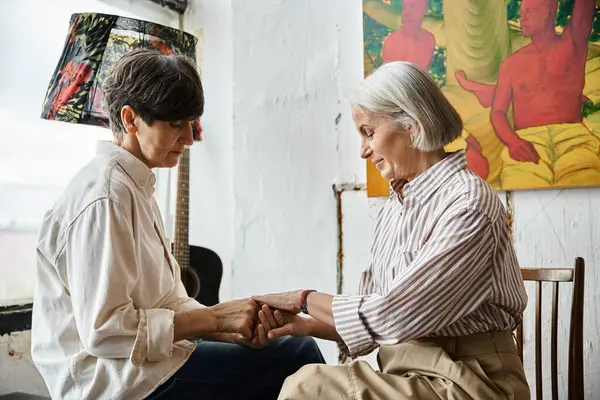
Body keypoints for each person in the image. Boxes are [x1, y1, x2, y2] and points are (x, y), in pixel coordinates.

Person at [31, 48, 324, 400]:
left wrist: (234, 326)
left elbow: (168, 300)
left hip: (146, 366)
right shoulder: (105, 197)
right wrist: (216, 320)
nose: (188, 138)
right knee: (298, 358)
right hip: (114, 383)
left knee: (289, 345)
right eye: (175, 124)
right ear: (130, 119)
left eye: (191, 123)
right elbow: (105, 332)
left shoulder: (134, 187)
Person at [253, 61, 530, 399]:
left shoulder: (467, 204)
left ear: (412, 126)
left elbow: (392, 316)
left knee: (309, 386)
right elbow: (373, 312)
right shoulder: (394, 210)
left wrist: (303, 299)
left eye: (369, 132)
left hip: (470, 381)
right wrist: (304, 326)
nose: (363, 150)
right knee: (289, 362)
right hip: (410, 371)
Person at [455, 0, 599, 188]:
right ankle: (473, 87)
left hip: (573, 137)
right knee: (522, 181)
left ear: (550, 11)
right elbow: (497, 112)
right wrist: (513, 141)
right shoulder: (511, 65)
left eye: (529, 11)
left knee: (583, 181)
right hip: (528, 140)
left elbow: (584, 8)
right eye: (521, 12)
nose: (522, 17)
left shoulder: (572, 44)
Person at [381, 0, 435, 71]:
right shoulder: (392, 42)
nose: (407, 12)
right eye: (404, 8)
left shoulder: (429, 39)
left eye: (413, 7)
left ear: (425, 9)